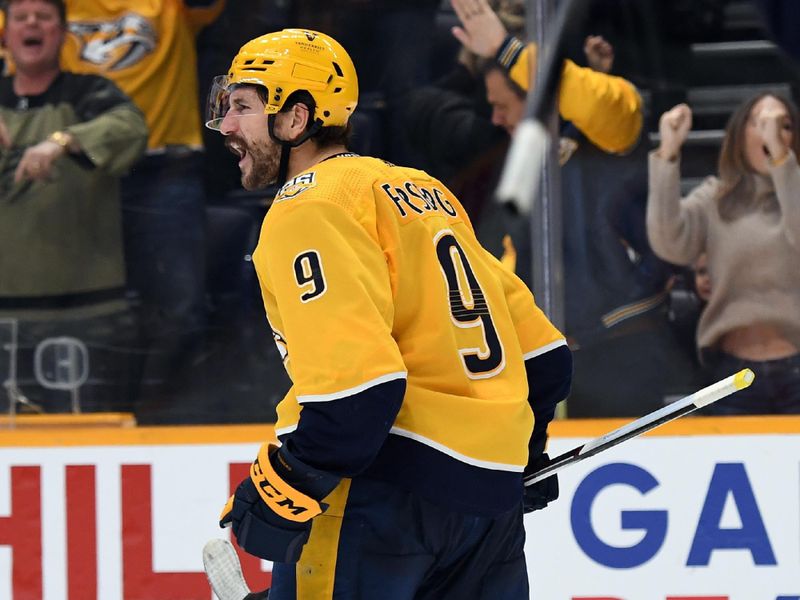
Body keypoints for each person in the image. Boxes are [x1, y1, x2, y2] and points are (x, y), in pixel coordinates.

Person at [206, 29, 572, 599]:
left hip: (381, 494)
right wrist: (515, 457)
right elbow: (544, 358)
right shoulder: (425, 192)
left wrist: (286, 486)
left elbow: (358, 393)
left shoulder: (309, 204)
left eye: (243, 107)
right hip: (486, 518)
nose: (227, 126)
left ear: (296, 118)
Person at [450, 0, 694, 417]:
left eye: (502, 104)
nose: (494, 117)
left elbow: (598, 106)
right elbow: (513, 257)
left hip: (622, 344)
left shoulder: (615, 121)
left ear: (536, 94)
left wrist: (507, 48)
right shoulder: (526, 163)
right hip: (558, 352)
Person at [59, 0, 225, 419]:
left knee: (181, 309)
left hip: (165, 172)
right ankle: (89, 415)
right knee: (76, 312)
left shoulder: (171, 6)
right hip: (77, 173)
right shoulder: (48, 8)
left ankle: (161, 416)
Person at [0, 0, 148, 412]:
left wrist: (63, 142)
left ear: (64, 33)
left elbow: (132, 129)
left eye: (44, 17)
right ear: (6, 34)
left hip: (87, 315)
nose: (33, 24)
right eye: (22, 17)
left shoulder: (88, 93)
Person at [648, 94, 800, 415]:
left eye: (783, 125)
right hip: (732, 376)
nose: (772, 131)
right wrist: (668, 153)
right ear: (740, 134)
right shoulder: (714, 198)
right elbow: (669, 242)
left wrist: (783, 163)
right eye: (761, 122)